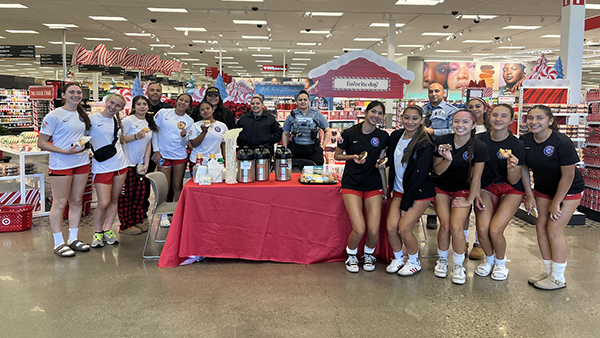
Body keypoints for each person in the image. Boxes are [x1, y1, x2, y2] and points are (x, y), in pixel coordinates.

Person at [520, 105, 585, 290]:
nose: (534, 122)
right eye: (530, 118)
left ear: (550, 121)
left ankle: (558, 277)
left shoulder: (562, 142)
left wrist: (557, 202)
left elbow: (569, 176)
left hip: (569, 191)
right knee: (540, 227)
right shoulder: (524, 140)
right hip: (543, 188)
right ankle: (549, 271)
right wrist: (529, 194)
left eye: (539, 118)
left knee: (554, 228)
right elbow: (524, 168)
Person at [431, 109, 488, 285]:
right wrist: (447, 160)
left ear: (473, 125)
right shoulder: (442, 141)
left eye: (465, 122)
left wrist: (469, 200)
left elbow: (476, 177)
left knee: (456, 228)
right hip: (440, 187)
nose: (460, 125)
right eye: (457, 121)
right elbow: (436, 171)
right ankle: (442, 260)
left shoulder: (479, 146)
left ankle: (457, 265)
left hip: (462, 190)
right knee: (445, 225)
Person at [38, 83, 92, 257]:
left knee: (77, 201)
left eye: (78, 92)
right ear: (63, 95)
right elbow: (42, 142)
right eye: (71, 92)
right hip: (61, 163)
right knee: (60, 203)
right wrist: (65, 151)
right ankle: (58, 242)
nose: (75, 95)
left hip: (82, 162)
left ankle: (73, 238)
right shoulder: (54, 115)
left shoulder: (83, 115)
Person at [334, 101, 389, 273]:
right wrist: (353, 157)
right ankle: (351, 255)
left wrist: (383, 168)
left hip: (373, 184)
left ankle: (368, 254)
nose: (376, 116)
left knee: (373, 230)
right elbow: (337, 155)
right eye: (373, 111)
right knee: (359, 229)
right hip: (352, 183)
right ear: (366, 112)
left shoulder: (383, 136)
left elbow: (383, 160)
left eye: (380, 113)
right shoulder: (349, 133)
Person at [474, 104, 526, 280]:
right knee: (482, 230)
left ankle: (501, 264)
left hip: (511, 189)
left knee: (495, 230)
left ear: (512, 120)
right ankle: (489, 261)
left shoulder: (517, 145)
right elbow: (475, 171)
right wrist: (474, 193)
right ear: (489, 117)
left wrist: (511, 167)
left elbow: (514, 180)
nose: (498, 119)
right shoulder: (479, 140)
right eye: (495, 115)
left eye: (504, 116)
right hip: (486, 188)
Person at [385, 105, 436, 276]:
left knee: (404, 229)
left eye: (415, 118)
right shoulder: (396, 136)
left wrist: (406, 204)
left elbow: (419, 175)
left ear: (421, 120)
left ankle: (414, 261)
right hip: (399, 190)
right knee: (391, 228)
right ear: (401, 118)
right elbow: (394, 161)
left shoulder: (425, 142)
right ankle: (399, 258)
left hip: (419, 192)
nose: (410, 122)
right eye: (407, 118)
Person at [88, 94, 130, 248]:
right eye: (112, 103)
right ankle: (97, 233)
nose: (113, 107)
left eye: (118, 105)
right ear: (106, 102)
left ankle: (107, 230)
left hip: (120, 165)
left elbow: (121, 142)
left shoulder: (118, 122)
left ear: (121, 108)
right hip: (102, 167)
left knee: (114, 200)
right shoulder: (92, 120)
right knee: (103, 202)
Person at [117, 95, 158, 235]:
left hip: (140, 165)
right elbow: (119, 139)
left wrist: (146, 163)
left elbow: (148, 144)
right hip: (126, 163)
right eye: (139, 104)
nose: (142, 106)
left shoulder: (148, 122)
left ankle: (137, 220)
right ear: (134, 106)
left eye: (144, 104)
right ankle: (125, 224)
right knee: (126, 195)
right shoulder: (128, 121)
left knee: (139, 195)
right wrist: (135, 136)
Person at [422, 83, 458, 229]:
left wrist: (434, 132)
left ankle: (433, 216)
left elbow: (454, 129)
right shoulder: (422, 110)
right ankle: (418, 210)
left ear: (444, 93)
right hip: (424, 151)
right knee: (422, 180)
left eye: (437, 91)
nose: (433, 94)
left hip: (442, 152)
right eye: (431, 91)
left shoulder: (451, 111)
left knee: (437, 182)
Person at [151, 93, 194, 202]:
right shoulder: (162, 113)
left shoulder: (189, 121)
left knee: (177, 186)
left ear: (189, 105)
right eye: (181, 99)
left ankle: (177, 211)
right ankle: (163, 215)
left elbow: (185, 143)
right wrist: (156, 150)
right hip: (163, 155)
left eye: (186, 101)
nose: (183, 103)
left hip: (180, 156)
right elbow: (154, 132)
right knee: (165, 187)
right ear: (176, 101)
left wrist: (184, 136)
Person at [464, 97, 491, 260]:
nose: (474, 109)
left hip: (486, 175)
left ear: (485, 108)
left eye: (478, 106)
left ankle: (479, 243)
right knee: (465, 209)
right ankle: (464, 241)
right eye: (470, 106)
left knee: (481, 209)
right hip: (466, 173)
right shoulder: (463, 125)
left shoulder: (491, 128)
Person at [144, 82, 173, 216]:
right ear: (147, 92)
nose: (155, 92)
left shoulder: (168, 108)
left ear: (161, 93)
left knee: (167, 181)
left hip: (165, 151)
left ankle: (168, 209)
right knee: (144, 182)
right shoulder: (141, 106)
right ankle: (143, 211)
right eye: (152, 90)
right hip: (144, 151)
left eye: (158, 90)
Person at [282, 90, 332, 166]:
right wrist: (285, 149)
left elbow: (327, 130)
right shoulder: (292, 115)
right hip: (295, 150)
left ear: (309, 101)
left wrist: (323, 146)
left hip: (313, 150)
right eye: (300, 100)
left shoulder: (316, 114)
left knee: (316, 174)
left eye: (305, 100)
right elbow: (285, 133)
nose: (303, 102)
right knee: (295, 174)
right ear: (297, 102)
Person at [188, 101, 228, 176]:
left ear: (213, 110)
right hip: (198, 161)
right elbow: (194, 144)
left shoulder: (222, 126)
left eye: (207, 108)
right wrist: (204, 132)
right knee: (197, 185)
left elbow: (224, 144)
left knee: (216, 184)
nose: (205, 111)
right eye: (202, 110)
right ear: (200, 113)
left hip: (216, 161)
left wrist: (226, 161)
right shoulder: (195, 126)